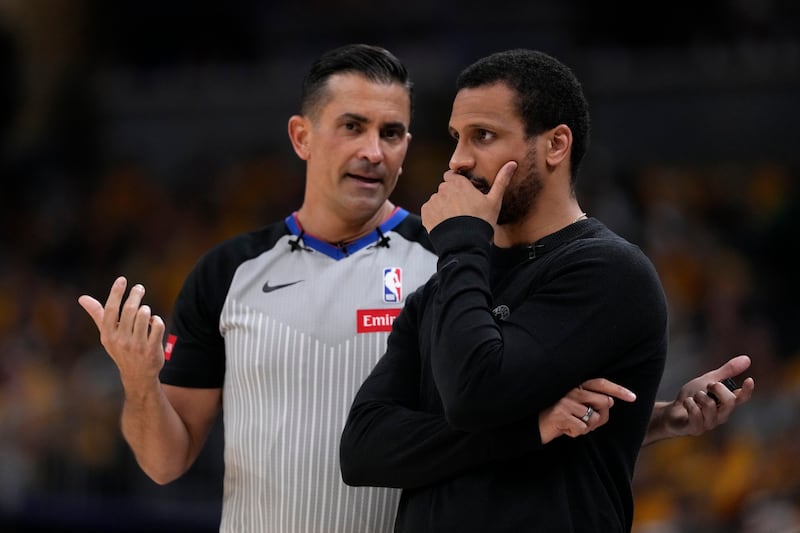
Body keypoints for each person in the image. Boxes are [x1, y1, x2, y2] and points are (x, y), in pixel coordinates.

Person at [78, 44, 754, 533]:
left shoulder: (489, 258)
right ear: (301, 136)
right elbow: (359, 446)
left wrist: (645, 419)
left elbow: (490, 393)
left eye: (396, 132)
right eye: (354, 127)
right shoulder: (233, 271)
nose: (380, 151)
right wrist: (142, 385)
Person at [338, 48, 748, 532]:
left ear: (555, 145)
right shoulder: (445, 287)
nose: (457, 162)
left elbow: (476, 395)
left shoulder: (608, 272)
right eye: (456, 139)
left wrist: (462, 241)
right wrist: (531, 429)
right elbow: (362, 450)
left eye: (483, 136)